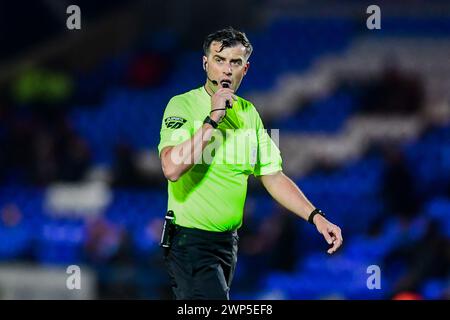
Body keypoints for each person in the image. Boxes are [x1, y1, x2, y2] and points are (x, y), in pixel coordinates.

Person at [158, 27, 343, 300]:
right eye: (219, 60)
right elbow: (171, 169)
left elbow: (273, 176)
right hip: (189, 242)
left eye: (235, 62)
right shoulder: (182, 106)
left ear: (245, 69)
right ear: (205, 63)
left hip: (228, 243)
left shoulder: (248, 113)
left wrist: (315, 216)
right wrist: (212, 120)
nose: (226, 70)